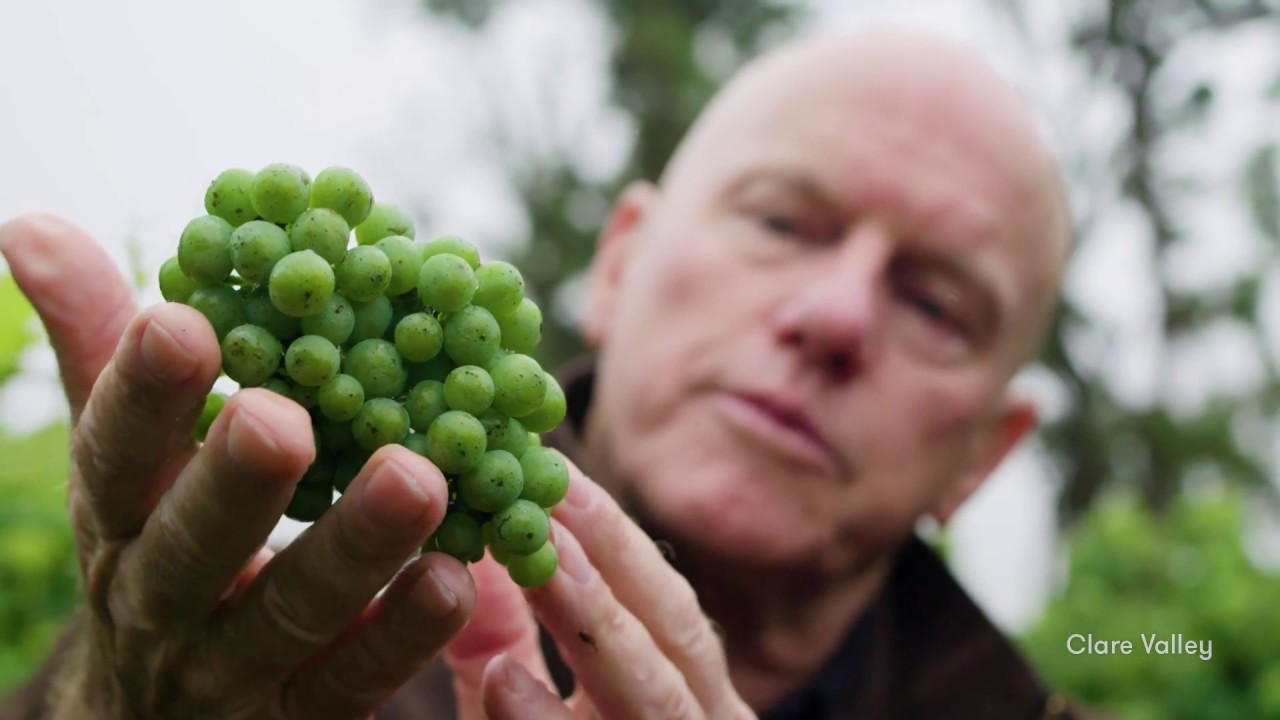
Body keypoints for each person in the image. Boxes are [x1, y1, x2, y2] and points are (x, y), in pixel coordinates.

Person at [0, 29, 1085, 720]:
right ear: (617, 266)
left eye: (936, 304)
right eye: (781, 222)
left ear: (981, 459)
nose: (836, 316)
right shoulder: (234, 627)